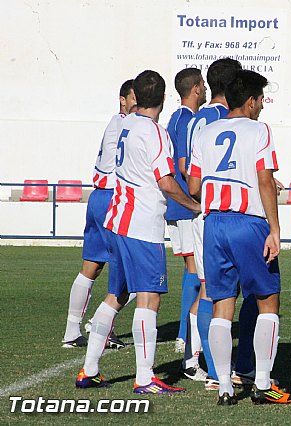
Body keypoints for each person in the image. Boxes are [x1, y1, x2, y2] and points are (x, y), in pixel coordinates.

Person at [75, 70, 201, 393]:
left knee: (116, 295)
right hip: (142, 226)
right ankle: (145, 377)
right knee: (149, 297)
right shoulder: (155, 133)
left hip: (117, 221)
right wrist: (193, 205)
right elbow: (165, 181)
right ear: (162, 99)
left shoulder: (125, 124)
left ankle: (89, 369)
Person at [188, 69, 291, 405]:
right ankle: (262, 383)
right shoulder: (259, 130)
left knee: (222, 304)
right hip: (248, 223)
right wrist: (275, 230)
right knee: (268, 301)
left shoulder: (205, 133)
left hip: (213, 224)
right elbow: (265, 181)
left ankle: (223, 386)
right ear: (250, 101)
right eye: (261, 99)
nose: (262, 106)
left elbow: (193, 186)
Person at [184, 57, 260, 392]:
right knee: (227, 293)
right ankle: (227, 369)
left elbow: (189, 170)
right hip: (227, 211)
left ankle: (211, 368)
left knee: (211, 289)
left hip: (206, 213)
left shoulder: (195, 118)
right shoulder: (227, 120)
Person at [62, 79, 136, 349]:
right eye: (134, 99)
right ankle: (101, 325)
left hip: (98, 197)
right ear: (122, 100)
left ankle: (72, 331)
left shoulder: (114, 123)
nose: (138, 105)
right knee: (133, 272)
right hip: (114, 200)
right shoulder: (128, 125)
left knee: (90, 268)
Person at [165, 67, 207, 381]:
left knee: (191, 268)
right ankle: (184, 334)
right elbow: (183, 165)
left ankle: (184, 331)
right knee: (196, 271)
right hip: (184, 206)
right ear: (195, 89)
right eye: (202, 85)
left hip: (178, 205)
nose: (204, 89)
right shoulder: (185, 120)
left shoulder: (178, 120)